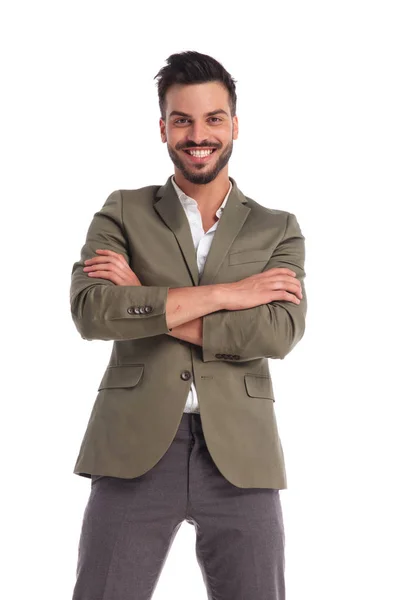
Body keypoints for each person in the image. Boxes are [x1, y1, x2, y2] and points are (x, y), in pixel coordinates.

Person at [70, 50, 307, 600]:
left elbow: (276, 333)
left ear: (234, 125)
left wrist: (144, 301)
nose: (197, 135)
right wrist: (230, 294)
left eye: (212, 119)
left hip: (241, 455)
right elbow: (93, 312)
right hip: (133, 446)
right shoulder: (123, 211)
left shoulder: (277, 229)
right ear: (163, 128)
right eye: (182, 120)